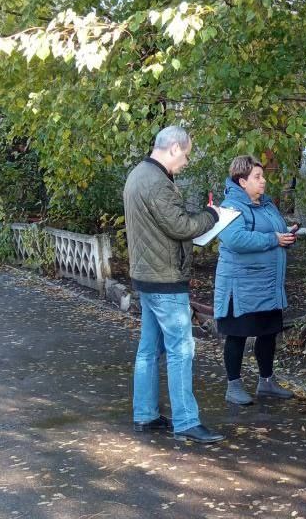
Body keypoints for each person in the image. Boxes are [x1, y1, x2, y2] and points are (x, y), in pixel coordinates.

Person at [124, 125, 226, 443]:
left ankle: (145, 415)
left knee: (148, 351)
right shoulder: (158, 183)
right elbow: (182, 226)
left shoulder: (137, 175)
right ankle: (185, 421)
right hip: (165, 279)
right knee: (181, 350)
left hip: (145, 275)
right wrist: (212, 215)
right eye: (186, 155)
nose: (186, 162)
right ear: (173, 149)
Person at [215, 155, 296, 405]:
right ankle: (233, 386)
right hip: (241, 286)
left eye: (263, 176)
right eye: (257, 177)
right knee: (237, 335)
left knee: (268, 332)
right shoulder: (231, 207)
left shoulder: (266, 205)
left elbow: (274, 232)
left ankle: (266, 382)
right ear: (242, 181)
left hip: (268, 284)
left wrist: (286, 236)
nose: (263, 181)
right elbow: (235, 240)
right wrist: (274, 239)